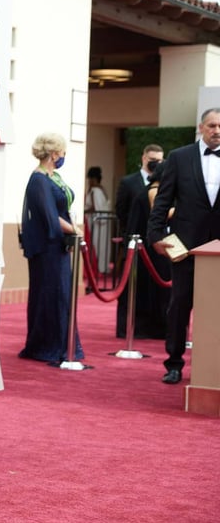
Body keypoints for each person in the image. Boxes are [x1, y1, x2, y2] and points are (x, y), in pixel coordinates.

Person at [147, 108, 220, 384]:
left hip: (219, 250)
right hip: (185, 245)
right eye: (212, 125)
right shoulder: (179, 157)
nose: (217, 130)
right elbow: (163, 200)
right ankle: (174, 363)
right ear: (201, 127)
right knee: (179, 304)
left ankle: (213, 365)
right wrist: (155, 234)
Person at [18, 133, 84, 366]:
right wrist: (74, 230)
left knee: (62, 294)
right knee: (51, 293)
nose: (64, 156)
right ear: (55, 154)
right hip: (47, 247)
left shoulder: (54, 177)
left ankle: (61, 343)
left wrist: (71, 231)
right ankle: (47, 345)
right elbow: (49, 215)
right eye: (63, 152)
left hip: (59, 243)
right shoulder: (39, 179)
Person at [114, 144, 165, 337]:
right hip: (136, 242)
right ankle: (131, 327)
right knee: (134, 285)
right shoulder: (128, 182)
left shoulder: (165, 184)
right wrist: (131, 235)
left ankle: (155, 326)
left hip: (156, 245)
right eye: (152, 160)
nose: (156, 164)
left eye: (159, 161)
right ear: (144, 158)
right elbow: (121, 211)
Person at [83, 166, 110, 276]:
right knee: (100, 244)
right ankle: (101, 266)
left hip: (95, 222)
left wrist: (83, 211)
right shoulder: (101, 189)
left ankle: (98, 267)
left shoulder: (95, 191)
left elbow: (95, 207)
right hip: (100, 222)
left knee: (96, 244)